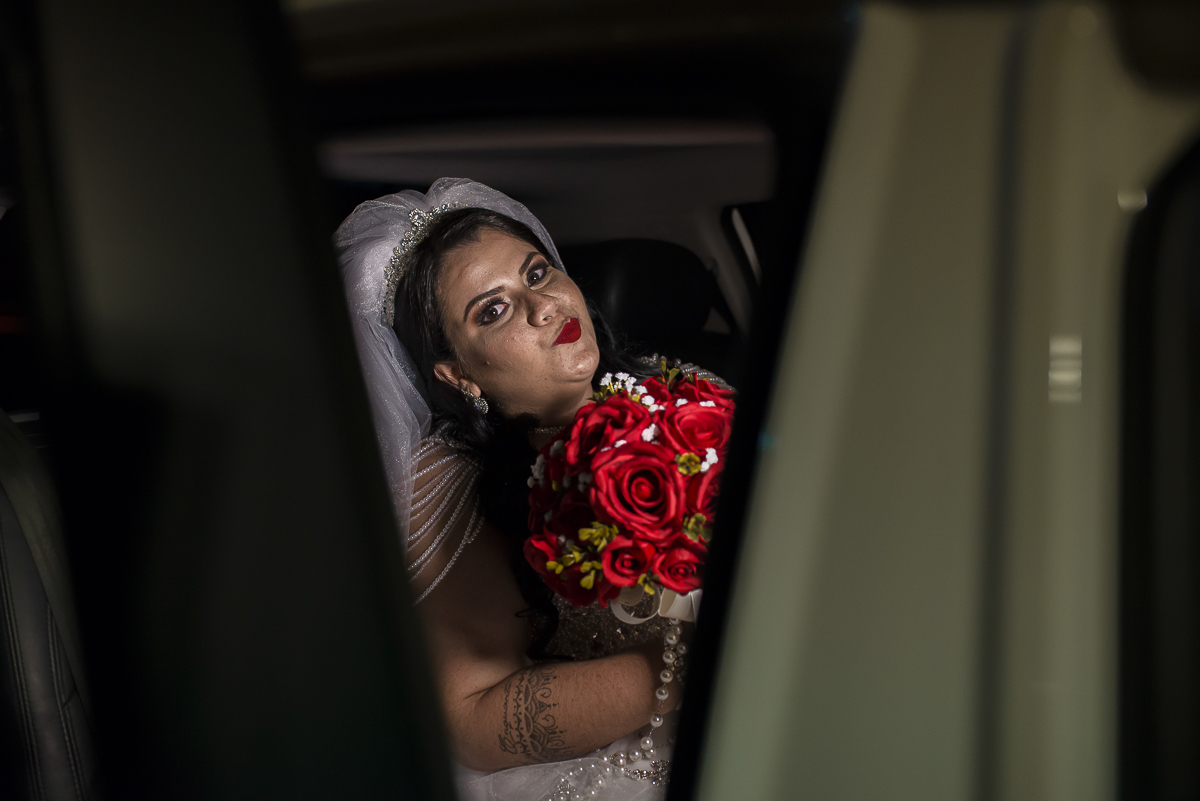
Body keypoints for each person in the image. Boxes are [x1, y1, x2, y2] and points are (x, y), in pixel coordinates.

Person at [336, 179, 722, 801]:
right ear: (457, 374)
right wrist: (697, 661)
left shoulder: (687, 387)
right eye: (493, 310)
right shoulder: (452, 483)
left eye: (537, 274)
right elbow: (471, 720)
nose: (544, 307)